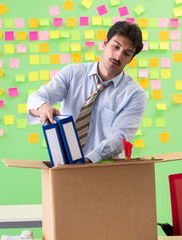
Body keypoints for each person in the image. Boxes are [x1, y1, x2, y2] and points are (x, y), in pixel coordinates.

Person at [27, 21, 147, 163]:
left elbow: (120, 138)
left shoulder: (135, 95)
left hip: (104, 169)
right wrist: (43, 107)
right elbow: (36, 97)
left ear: (131, 59)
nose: (118, 56)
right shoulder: (73, 73)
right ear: (105, 43)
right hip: (64, 165)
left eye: (127, 53)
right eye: (115, 47)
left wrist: (87, 161)